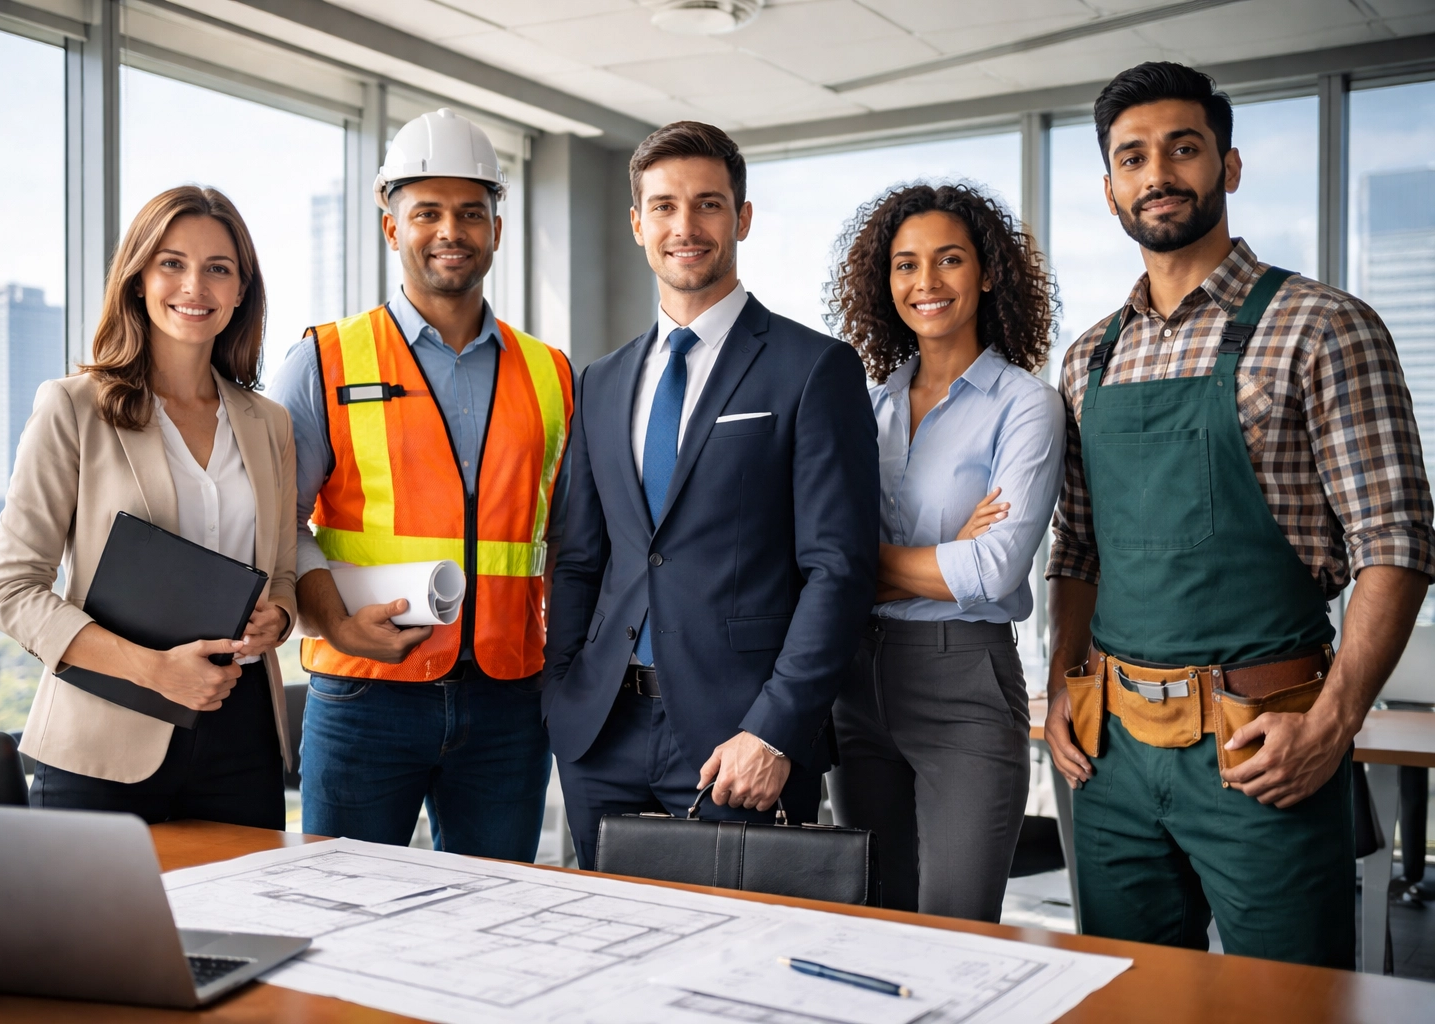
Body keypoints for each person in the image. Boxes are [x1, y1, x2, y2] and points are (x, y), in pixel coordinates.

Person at [1043, 61, 1434, 967]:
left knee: (1288, 1000)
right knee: (1125, 995)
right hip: (1111, 752)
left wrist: (1333, 726)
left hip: (1264, 745)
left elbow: (1397, 540)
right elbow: (1076, 549)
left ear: (1229, 165)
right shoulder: (1089, 357)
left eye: (1183, 148)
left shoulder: (1323, 325)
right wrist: (1064, 681)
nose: (1158, 174)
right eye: (1132, 158)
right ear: (1109, 190)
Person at [543, 121, 879, 870]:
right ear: (637, 224)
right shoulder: (600, 381)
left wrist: (775, 729)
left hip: (741, 741)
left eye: (708, 205)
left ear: (743, 218)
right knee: (602, 958)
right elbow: (580, 558)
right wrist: (562, 690)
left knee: (740, 965)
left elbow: (839, 570)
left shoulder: (813, 369)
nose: (684, 227)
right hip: (601, 732)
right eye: (663, 206)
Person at [275, 108, 572, 859]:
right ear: (390, 228)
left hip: (509, 699)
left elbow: (570, 537)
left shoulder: (552, 374)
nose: (451, 231)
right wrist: (334, 623)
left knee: (490, 924)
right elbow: (275, 526)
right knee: (339, 915)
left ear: (497, 230)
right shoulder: (325, 361)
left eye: (471, 212)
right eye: (427, 212)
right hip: (365, 690)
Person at [0, 186, 297, 827]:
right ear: (137, 280)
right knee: (100, 932)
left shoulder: (269, 423)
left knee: (246, 927)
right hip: (103, 738)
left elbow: (284, 568)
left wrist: (281, 617)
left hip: (242, 740)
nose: (196, 285)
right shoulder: (73, 408)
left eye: (219, 268)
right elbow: (13, 590)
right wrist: (154, 671)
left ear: (242, 291)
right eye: (172, 263)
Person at [825, 183, 1065, 919]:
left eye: (949, 260)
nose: (925, 283)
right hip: (856, 684)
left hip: (963, 684)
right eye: (905, 265)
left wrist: (863, 565)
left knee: (956, 923)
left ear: (987, 272)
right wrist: (936, 559)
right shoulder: (865, 404)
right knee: (875, 916)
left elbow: (993, 569)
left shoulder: (1027, 404)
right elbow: (814, 552)